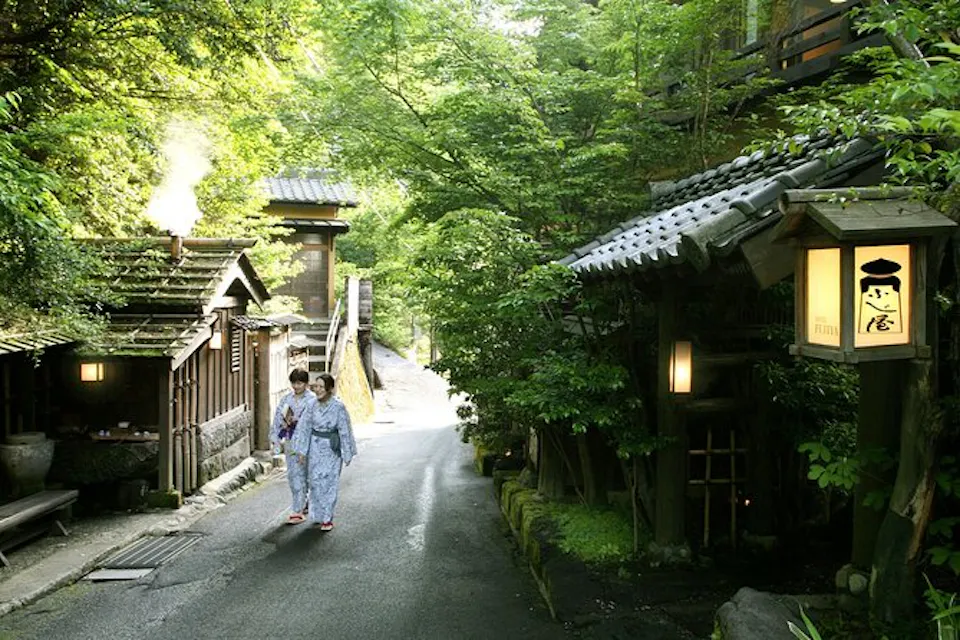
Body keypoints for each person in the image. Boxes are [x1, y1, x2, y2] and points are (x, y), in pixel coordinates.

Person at [292, 372, 357, 531]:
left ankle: (327, 518)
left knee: (329, 482)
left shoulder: (338, 406)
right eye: (317, 387)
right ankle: (318, 514)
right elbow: (304, 428)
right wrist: (301, 451)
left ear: (329, 389)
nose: (318, 390)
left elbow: (344, 429)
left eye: (322, 387)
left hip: (331, 449)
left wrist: (346, 451)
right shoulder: (311, 405)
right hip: (315, 446)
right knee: (314, 481)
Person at [270, 368, 315, 525]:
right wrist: (276, 438)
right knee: (294, 474)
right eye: (294, 383)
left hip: (308, 441)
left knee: (308, 474)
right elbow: (277, 418)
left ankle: (307, 500)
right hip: (290, 441)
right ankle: (298, 508)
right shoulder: (286, 399)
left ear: (306, 384)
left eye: (299, 383)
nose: (296, 386)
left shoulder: (312, 400)